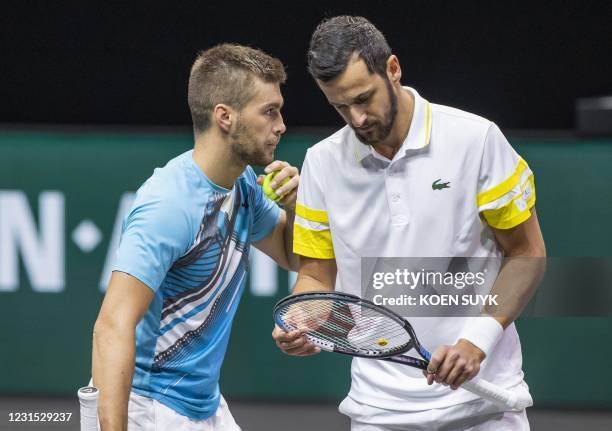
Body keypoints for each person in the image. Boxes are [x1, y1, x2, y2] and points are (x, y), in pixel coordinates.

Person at [273, 16, 546, 430]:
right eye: (340, 107)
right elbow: (315, 275)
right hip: (377, 412)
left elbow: (527, 254)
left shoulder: (476, 139)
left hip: (484, 407)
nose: (357, 118)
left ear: (393, 69)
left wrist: (477, 343)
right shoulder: (322, 163)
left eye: (364, 99)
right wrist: (303, 322)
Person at [92, 43, 299, 431]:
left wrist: (295, 207)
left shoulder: (244, 185)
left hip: (204, 404)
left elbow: (291, 255)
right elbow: (112, 326)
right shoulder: (169, 204)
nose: (281, 124)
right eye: (269, 111)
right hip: (148, 407)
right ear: (225, 116)